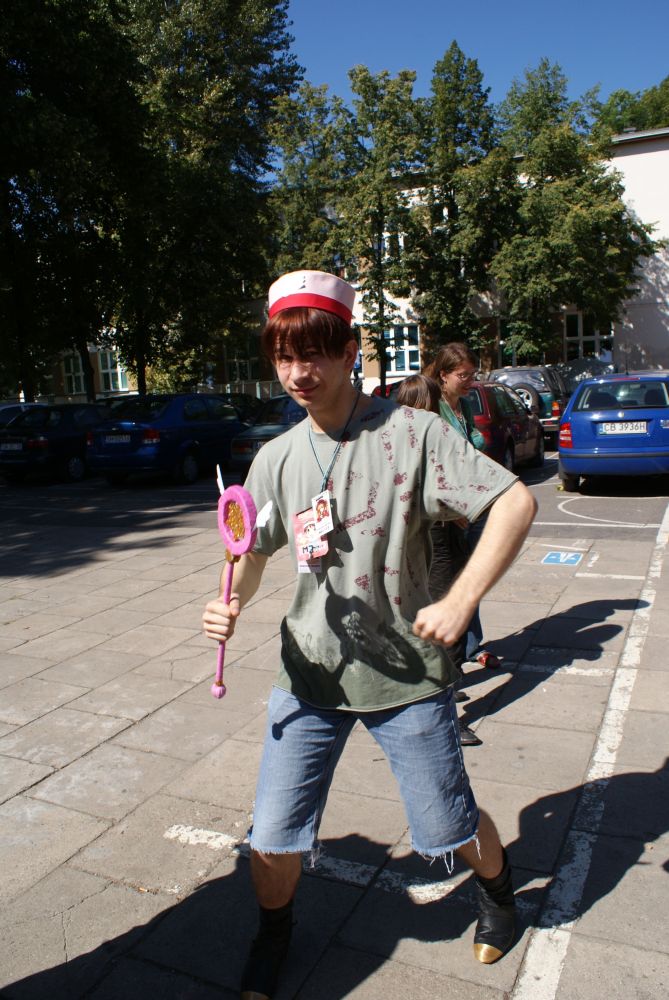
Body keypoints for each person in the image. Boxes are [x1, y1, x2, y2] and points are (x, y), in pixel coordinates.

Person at [202, 270, 537, 1000]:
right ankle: (273, 934)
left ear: (351, 349)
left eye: (315, 353)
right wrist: (230, 603)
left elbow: (513, 504)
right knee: (272, 835)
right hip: (309, 674)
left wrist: (461, 601)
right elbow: (250, 553)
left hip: (406, 674)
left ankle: (498, 892)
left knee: (447, 826)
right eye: (284, 357)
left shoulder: (412, 435)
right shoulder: (275, 457)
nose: (299, 372)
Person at [395, 373, 481, 746]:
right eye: (432, 405)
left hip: (438, 538)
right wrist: (455, 508)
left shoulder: (404, 437)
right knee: (446, 621)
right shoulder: (418, 439)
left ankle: (447, 687)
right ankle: (447, 718)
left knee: (442, 618)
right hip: (437, 539)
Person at [424, 343, 503, 672]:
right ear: (444, 375)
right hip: (449, 509)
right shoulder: (433, 407)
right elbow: (433, 464)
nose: (471, 381)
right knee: (448, 583)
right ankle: (448, 661)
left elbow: (472, 444)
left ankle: (471, 645)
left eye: (473, 374)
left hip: (472, 500)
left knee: (472, 575)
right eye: (464, 375)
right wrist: (451, 509)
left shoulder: (464, 405)